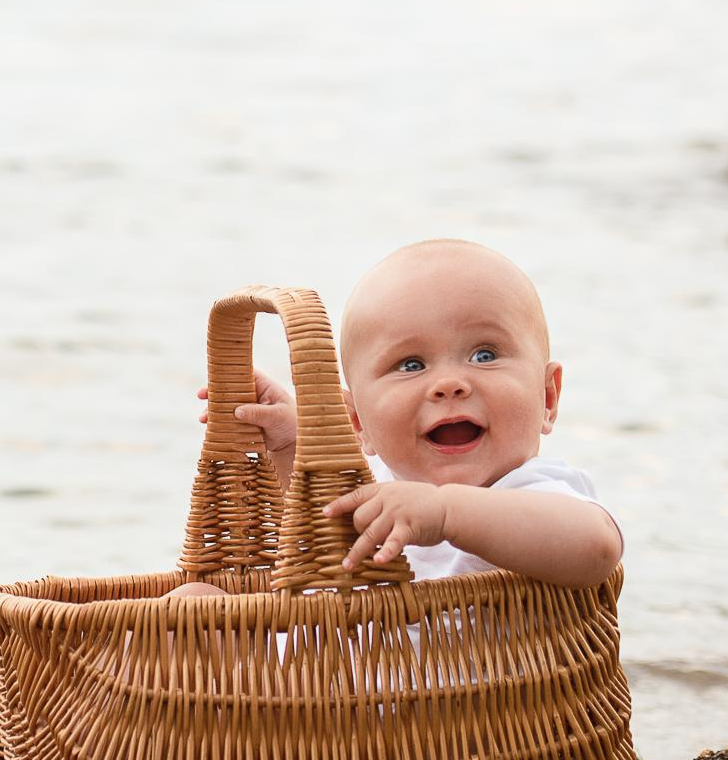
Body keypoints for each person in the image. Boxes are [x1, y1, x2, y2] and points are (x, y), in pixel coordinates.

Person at [170, 239, 622, 594]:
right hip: (330, 685)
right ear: (358, 423)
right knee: (193, 604)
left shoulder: (534, 491)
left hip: (453, 702)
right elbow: (324, 521)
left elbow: (596, 550)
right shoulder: (378, 481)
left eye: (485, 355)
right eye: (410, 365)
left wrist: (445, 513)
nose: (450, 384)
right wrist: (291, 444)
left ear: (548, 397)